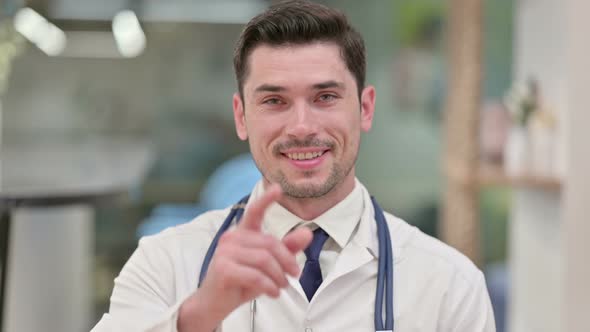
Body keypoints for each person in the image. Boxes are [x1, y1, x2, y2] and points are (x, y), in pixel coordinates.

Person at [91, 1, 496, 331]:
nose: (302, 127)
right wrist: (199, 316)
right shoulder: (165, 263)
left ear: (366, 107)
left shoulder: (450, 285)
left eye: (325, 97)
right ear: (241, 117)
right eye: (274, 101)